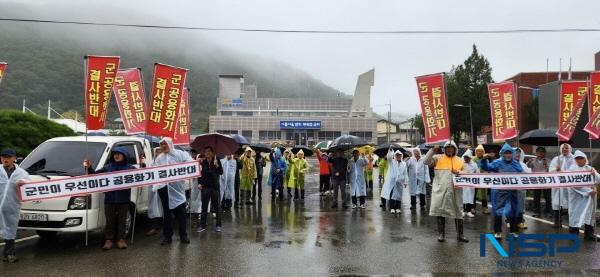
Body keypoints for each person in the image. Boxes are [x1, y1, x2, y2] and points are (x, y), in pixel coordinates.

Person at [85, 147, 136, 250]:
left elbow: (142, 176)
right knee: (109, 221)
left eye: (119, 154)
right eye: (115, 154)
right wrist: (89, 167)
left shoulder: (130, 168)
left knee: (122, 220)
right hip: (109, 199)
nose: (116, 156)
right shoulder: (108, 167)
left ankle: (121, 239)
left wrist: (143, 165)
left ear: (124, 156)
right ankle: (108, 240)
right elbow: (94, 176)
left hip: (124, 199)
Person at [424, 141, 468, 243]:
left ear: (455, 149)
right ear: (444, 149)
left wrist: (459, 172)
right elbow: (425, 162)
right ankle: (441, 234)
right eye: (447, 147)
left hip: (456, 190)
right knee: (440, 210)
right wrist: (432, 151)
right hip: (441, 189)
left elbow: (467, 173)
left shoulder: (460, 160)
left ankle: (460, 235)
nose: (449, 149)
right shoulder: (437, 158)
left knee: (458, 210)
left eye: (451, 147)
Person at [153, 137, 193, 245]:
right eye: (162, 145)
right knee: (167, 213)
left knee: (181, 213)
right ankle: (167, 237)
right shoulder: (160, 158)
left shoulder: (180, 154)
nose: (163, 146)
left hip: (178, 188)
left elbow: (190, 163)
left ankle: (183, 235)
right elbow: (154, 171)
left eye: (165, 144)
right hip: (164, 188)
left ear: (170, 144)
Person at [480, 143, 523, 239]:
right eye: (506, 153)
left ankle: (513, 231)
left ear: (512, 154)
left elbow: (521, 173)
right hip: (500, 192)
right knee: (498, 211)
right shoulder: (497, 163)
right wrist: (484, 159)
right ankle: (497, 231)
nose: (508, 155)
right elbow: (486, 167)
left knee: (513, 210)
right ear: (503, 154)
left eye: (509, 153)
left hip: (512, 191)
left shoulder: (516, 163)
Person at [0, 148, 28, 263]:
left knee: (10, 230)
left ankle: (9, 253)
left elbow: (30, 187)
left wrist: (23, 183)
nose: (5, 159)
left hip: (11, 206)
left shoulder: (22, 173)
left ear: (14, 159)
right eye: (3, 157)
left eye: (8, 157)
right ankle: (7, 253)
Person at [567, 150, 599, 241]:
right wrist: (588, 191)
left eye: (581, 158)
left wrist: (594, 174)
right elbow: (573, 185)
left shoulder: (590, 168)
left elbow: (598, 179)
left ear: (585, 159)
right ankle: (573, 233)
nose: (579, 160)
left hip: (590, 198)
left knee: (589, 214)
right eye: (577, 159)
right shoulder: (571, 170)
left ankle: (589, 234)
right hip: (577, 197)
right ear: (575, 160)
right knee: (575, 214)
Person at [198, 146, 223, 233]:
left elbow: (221, 172)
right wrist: (199, 183)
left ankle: (218, 225)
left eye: (209, 151)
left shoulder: (217, 160)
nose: (207, 153)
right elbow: (200, 174)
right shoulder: (203, 162)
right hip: (205, 188)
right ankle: (202, 225)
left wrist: (217, 165)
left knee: (217, 207)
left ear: (212, 153)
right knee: (204, 207)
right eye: (206, 151)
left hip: (215, 187)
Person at [549, 143, 573, 228]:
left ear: (570, 149)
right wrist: (556, 169)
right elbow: (550, 170)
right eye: (563, 148)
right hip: (558, 185)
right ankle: (557, 222)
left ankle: (572, 224)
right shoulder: (556, 159)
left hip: (569, 186)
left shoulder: (573, 159)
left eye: (566, 148)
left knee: (571, 204)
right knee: (557, 203)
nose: (565, 150)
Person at [381, 149, 408, 214]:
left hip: (400, 182)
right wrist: (390, 150)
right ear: (395, 156)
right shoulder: (392, 162)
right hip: (393, 181)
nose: (398, 156)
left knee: (399, 195)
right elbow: (389, 157)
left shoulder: (404, 164)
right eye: (397, 155)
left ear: (401, 156)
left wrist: (405, 182)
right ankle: (392, 208)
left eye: (399, 155)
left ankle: (398, 208)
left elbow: (405, 173)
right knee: (392, 194)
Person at [527, 146, 551, 218]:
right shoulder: (533, 160)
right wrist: (529, 162)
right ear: (536, 153)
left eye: (542, 152)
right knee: (536, 196)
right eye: (539, 152)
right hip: (536, 181)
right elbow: (529, 166)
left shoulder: (548, 160)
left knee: (547, 197)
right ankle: (536, 211)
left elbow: (551, 169)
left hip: (546, 180)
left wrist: (545, 163)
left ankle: (548, 212)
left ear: (544, 153)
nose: (540, 153)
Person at [514, 148, 531, 230]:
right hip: (511, 190)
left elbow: (529, 174)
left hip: (521, 189)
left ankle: (520, 221)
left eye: (519, 153)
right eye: (516, 153)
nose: (517, 154)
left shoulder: (523, 165)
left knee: (521, 205)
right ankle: (510, 221)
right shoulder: (510, 164)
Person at [472, 144, 490, 214]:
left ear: (483, 152)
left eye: (481, 151)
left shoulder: (486, 160)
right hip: (475, 178)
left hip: (483, 178)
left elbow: (488, 168)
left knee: (484, 193)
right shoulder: (473, 159)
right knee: (473, 192)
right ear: (476, 152)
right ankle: (472, 207)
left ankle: (485, 208)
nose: (479, 152)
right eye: (478, 151)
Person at [461, 150, 479, 218]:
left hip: (471, 184)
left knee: (470, 197)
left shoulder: (474, 164)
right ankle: (463, 210)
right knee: (463, 196)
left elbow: (478, 173)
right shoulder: (461, 163)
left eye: (467, 157)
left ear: (470, 158)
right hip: (463, 183)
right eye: (465, 157)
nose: (466, 159)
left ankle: (468, 211)